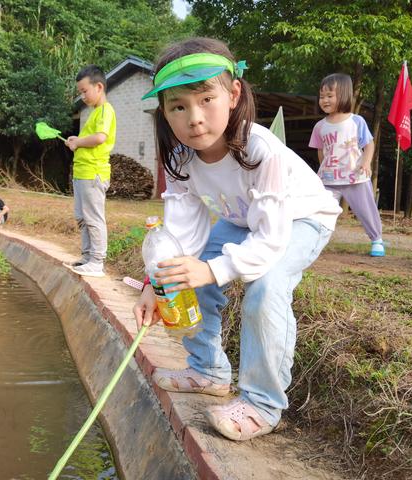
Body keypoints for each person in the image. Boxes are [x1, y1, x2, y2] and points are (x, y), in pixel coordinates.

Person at [132, 37, 341, 441]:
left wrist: (213, 269)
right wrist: (153, 284)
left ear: (232, 94)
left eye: (205, 99)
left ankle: (263, 402)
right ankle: (208, 370)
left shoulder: (262, 151)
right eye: (178, 106)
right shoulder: (181, 159)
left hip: (299, 217)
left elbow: (269, 240)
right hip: (245, 218)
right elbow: (180, 233)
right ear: (164, 112)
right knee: (185, 273)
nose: (194, 118)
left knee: (265, 286)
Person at [309, 73, 385, 257]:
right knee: (321, 211)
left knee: (366, 209)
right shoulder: (320, 126)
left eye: (329, 95)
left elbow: (369, 144)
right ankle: (313, 242)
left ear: (343, 95)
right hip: (328, 179)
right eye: (321, 96)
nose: (324, 100)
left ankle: (377, 240)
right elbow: (320, 150)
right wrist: (324, 169)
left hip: (355, 176)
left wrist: (366, 162)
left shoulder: (356, 121)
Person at [63, 65, 116, 278]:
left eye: (84, 91)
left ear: (99, 87)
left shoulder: (105, 110)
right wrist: (76, 141)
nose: (82, 96)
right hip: (82, 173)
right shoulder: (95, 112)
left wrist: (78, 142)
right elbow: (89, 139)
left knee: (93, 217)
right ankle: (86, 257)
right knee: (82, 217)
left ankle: (97, 262)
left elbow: (100, 138)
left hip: (94, 173)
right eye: (80, 92)